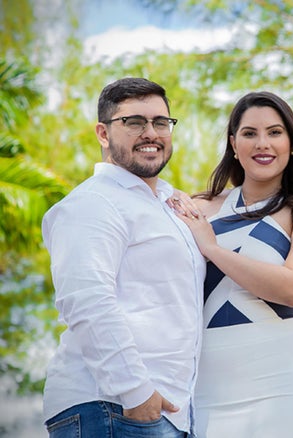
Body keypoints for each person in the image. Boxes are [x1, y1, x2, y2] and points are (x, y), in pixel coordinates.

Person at [174, 91, 293, 438]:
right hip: (206, 391)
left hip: (284, 386)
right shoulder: (199, 207)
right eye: (249, 133)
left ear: (292, 144)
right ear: (233, 144)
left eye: (274, 132)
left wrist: (213, 249)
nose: (262, 143)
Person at [41, 77, 205, 438]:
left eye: (161, 122)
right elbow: (86, 299)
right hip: (112, 407)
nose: (151, 133)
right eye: (134, 122)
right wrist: (135, 393)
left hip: (163, 412)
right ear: (103, 133)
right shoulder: (93, 202)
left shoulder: (167, 204)